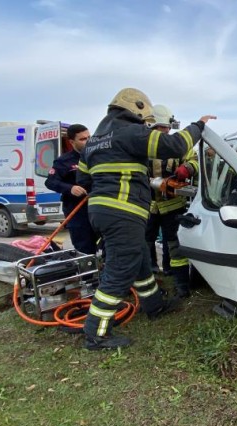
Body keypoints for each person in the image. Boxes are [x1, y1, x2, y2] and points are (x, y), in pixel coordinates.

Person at [76, 87, 215, 350]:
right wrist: (199, 126)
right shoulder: (130, 132)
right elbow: (176, 145)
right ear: (137, 109)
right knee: (120, 270)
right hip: (123, 212)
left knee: (140, 258)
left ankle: (154, 305)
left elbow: (83, 179)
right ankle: (96, 333)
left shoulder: (94, 141)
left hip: (101, 211)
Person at [144, 104, 199, 298]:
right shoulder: (142, 146)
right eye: (162, 128)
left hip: (173, 205)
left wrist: (188, 168)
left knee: (175, 245)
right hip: (148, 206)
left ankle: (181, 284)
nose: (166, 131)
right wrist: (152, 182)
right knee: (145, 243)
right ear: (151, 127)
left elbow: (194, 160)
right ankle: (149, 278)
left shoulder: (178, 145)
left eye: (167, 128)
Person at [45, 124, 97, 254]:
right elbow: (50, 182)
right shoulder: (64, 161)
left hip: (98, 207)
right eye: (83, 139)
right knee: (84, 248)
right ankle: (86, 268)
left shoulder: (98, 157)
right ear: (72, 142)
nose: (88, 141)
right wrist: (70, 188)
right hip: (77, 210)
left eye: (89, 137)